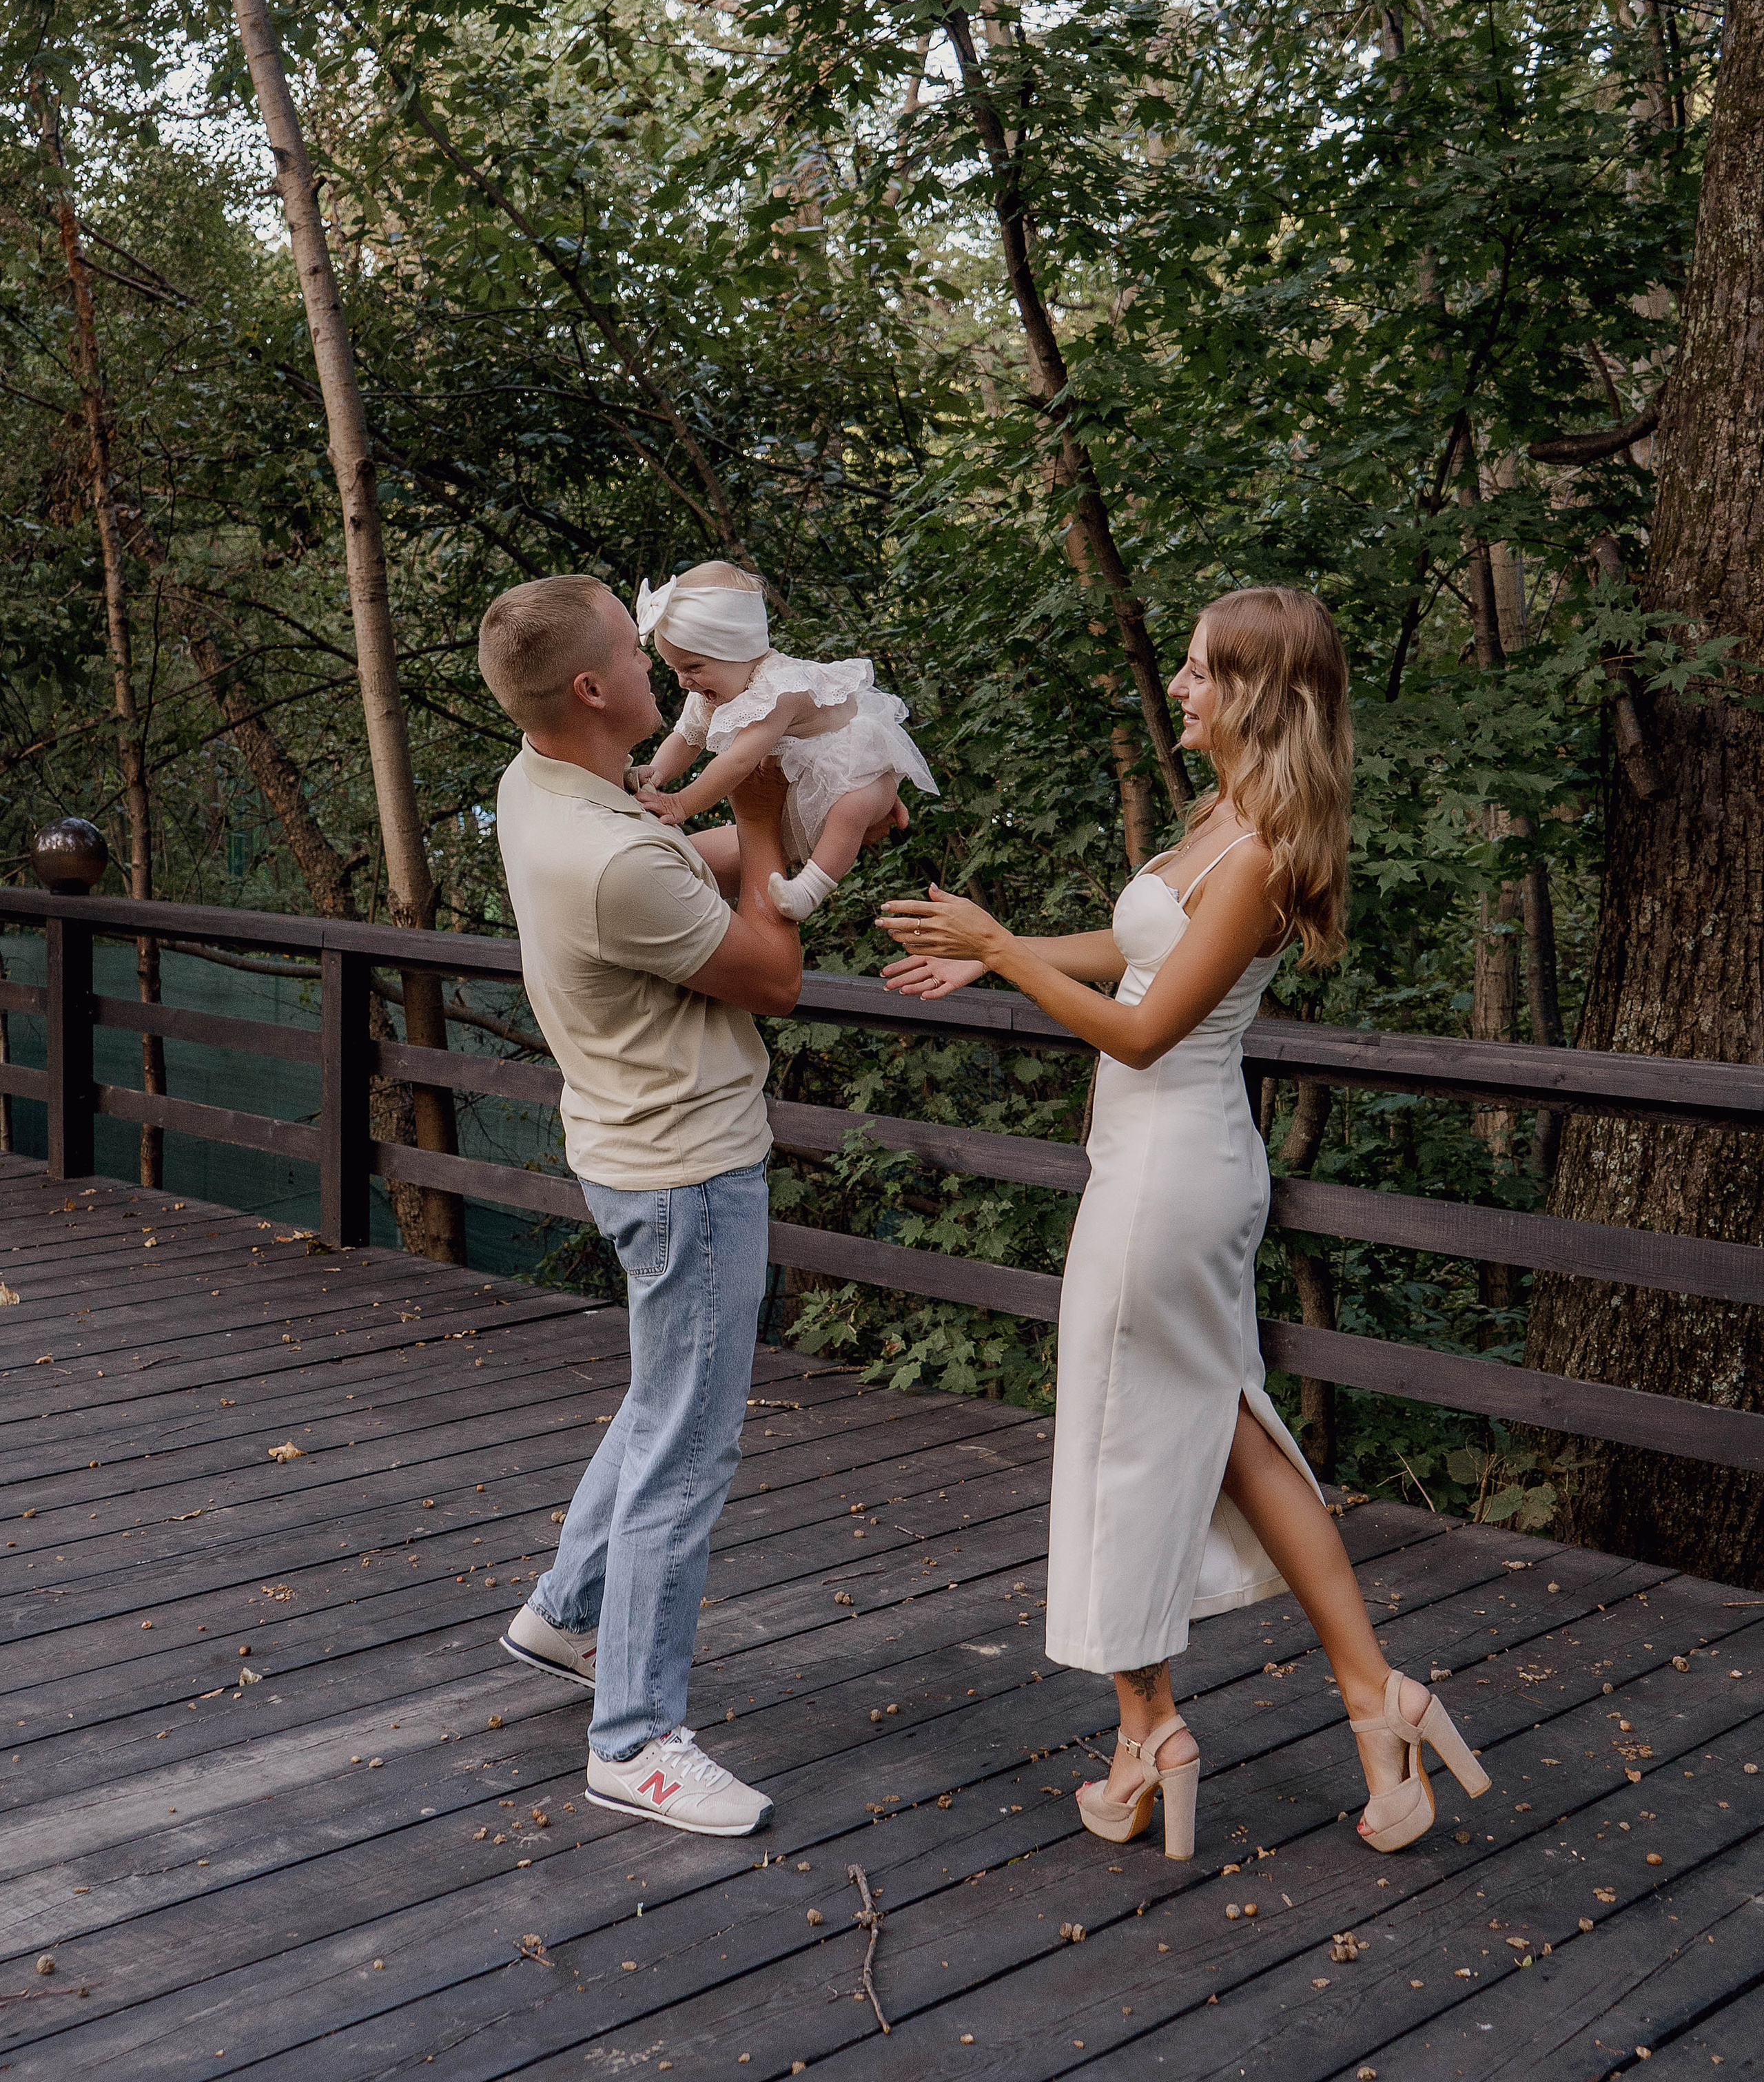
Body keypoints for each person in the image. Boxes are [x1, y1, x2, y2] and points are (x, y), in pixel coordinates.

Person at [876, 586, 1491, 1862]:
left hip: (1172, 1168)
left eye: (1204, 670)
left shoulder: (1263, 853)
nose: (1181, 687)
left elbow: (1147, 1032)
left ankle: (1147, 1737)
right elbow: (1139, 947)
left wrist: (999, 939)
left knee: (1123, 1438)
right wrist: (1001, 954)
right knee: (1223, 1430)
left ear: (1260, 692)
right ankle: (1378, 1704)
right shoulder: (1227, 820)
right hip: (1168, 1163)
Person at [478, 573, 802, 1837]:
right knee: (688, 1448)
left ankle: (565, 1613)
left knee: (661, 1400)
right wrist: (775, 823)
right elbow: (773, 972)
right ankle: (636, 1738)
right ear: (594, 688)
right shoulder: (610, 854)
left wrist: (781, 823)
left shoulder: (542, 785)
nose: (657, 652)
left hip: (626, 1148)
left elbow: (679, 856)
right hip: (691, 1169)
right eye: (633, 642)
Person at [630, 559, 936, 923]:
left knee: (851, 809)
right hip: (796, 784)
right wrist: (654, 776)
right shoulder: (714, 689)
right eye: (675, 669)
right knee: (763, 838)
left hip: (858, 767)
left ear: (737, 649)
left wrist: (681, 803)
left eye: (693, 667)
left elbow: (740, 761)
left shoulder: (780, 689)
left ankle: (809, 890)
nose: (683, 682)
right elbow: (686, 737)